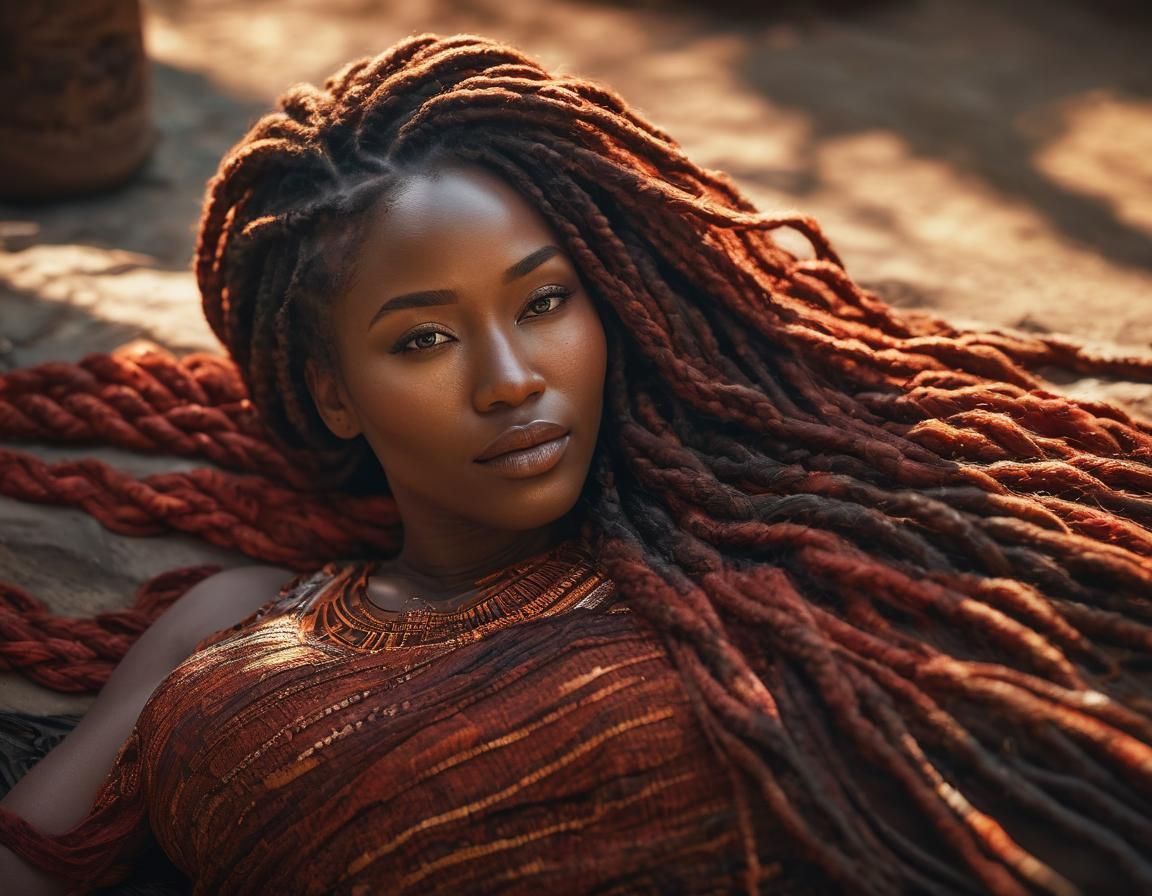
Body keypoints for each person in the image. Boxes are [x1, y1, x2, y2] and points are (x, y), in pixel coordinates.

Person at [1, 31, 1151, 896]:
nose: (510, 378)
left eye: (545, 302)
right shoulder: (234, 616)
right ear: (331, 390)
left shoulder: (750, 577)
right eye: (424, 339)